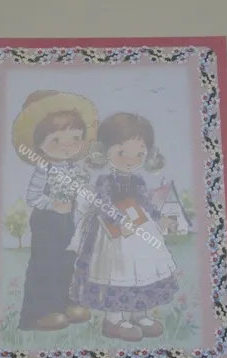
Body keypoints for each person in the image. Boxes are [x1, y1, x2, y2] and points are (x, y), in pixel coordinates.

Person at [69, 112, 179, 341]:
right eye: (121, 153)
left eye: (139, 154)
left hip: (139, 228)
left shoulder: (138, 181)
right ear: (105, 151)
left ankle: (140, 314)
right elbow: (103, 205)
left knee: (143, 269)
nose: (130, 160)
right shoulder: (105, 182)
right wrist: (120, 221)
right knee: (117, 270)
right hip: (113, 232)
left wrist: (159, 218)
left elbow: (146, 203)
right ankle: (114, 319)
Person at [12, 90, 98, 331]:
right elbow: (33, 197)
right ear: (39, 145)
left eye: (75, 137)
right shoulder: (44, 169)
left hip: (68, 221)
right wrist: (52, 205)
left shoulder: (74, 168)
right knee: (46, 265)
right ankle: (38, 314)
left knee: (68, 261)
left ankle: (66, 304)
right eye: (56, 140)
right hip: (46, 223)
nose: (67, 146)